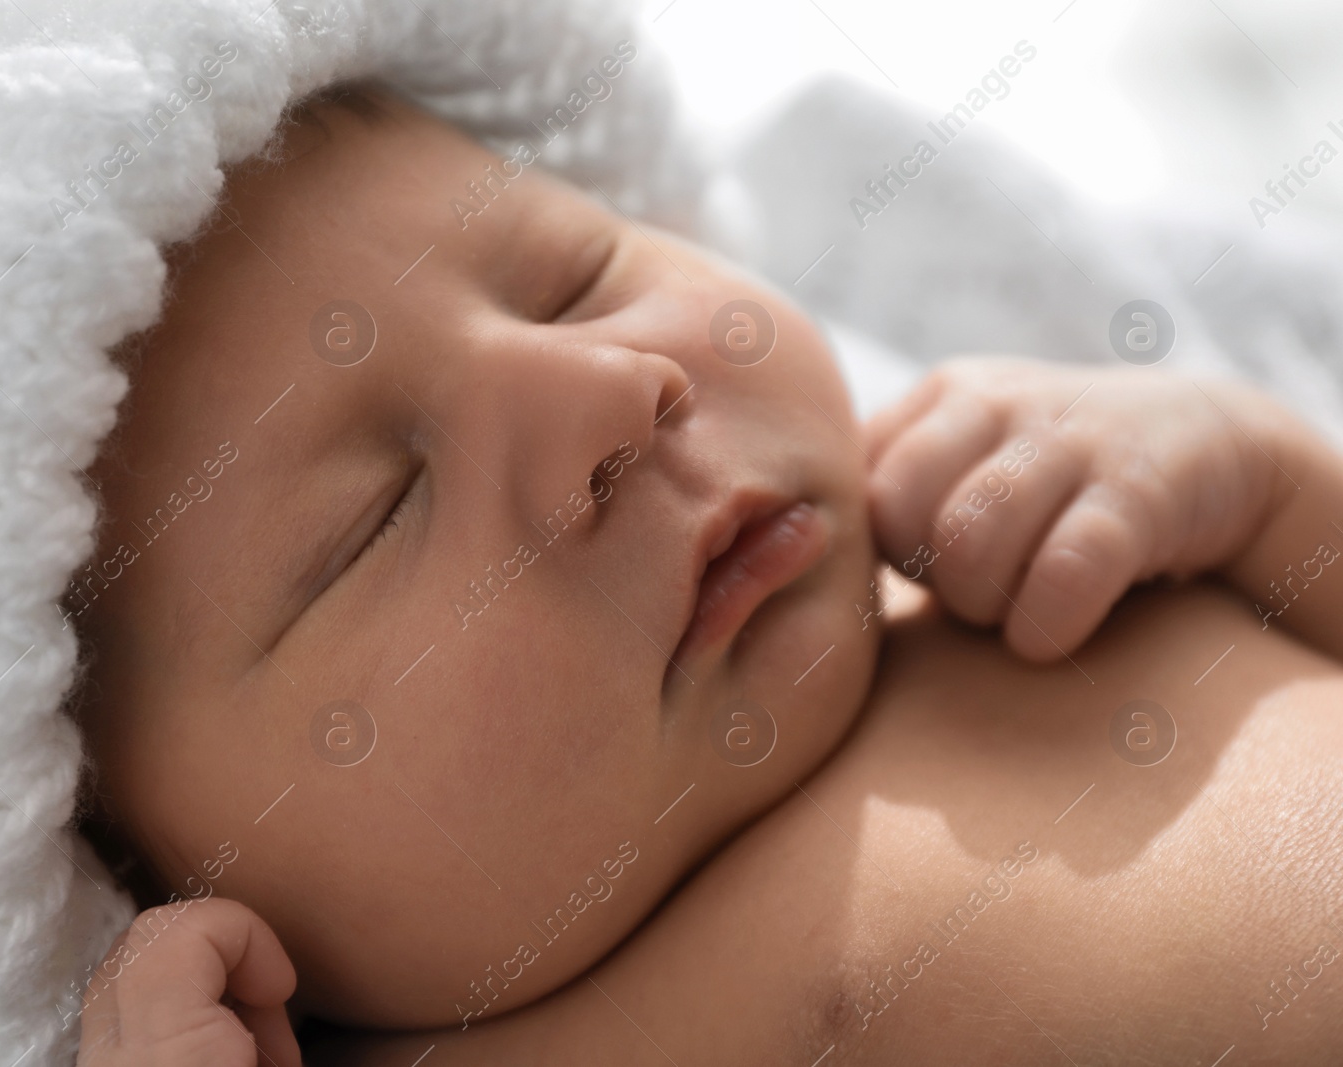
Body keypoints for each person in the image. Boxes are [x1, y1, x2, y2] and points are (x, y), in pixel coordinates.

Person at [71, 87, 1343, 1065]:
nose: (613, 391)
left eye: (577, 283)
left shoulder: (1005, 538)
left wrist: (1266, 478)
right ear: (143, 871)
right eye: (373, 521)